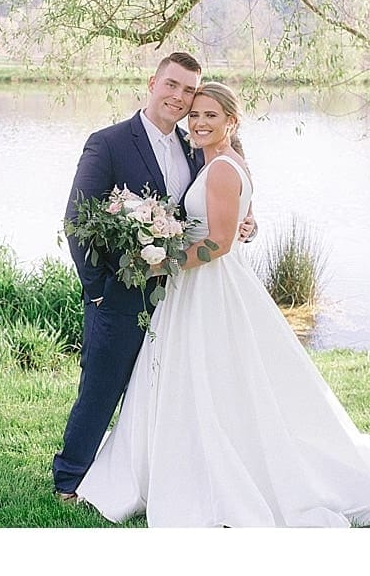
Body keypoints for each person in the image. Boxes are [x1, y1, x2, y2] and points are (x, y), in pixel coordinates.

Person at [74, 81, 370, 526]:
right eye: (194, 115)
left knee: (206, 373)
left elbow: (218, 244)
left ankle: (215, 467)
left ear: (231, 121)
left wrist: (163, 263)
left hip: (208, 284)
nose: (198, 122)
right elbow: (228, 226)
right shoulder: (220, 162)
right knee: (210, 376)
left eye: (210, 115)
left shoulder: (221, 169)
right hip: (202, 286)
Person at [51, 52, 252, 503]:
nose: (179, 98)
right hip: (119, 293)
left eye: (188, 90)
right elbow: (75, 220)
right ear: (152, 83)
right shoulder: (108, 143)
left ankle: (152, 472)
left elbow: (219, 198)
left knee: (164, 388)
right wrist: (97, 292)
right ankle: (69, 478)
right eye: (172, 85)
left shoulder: (194, 145)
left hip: (181, 293)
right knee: (102, 386)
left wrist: (245, 221)